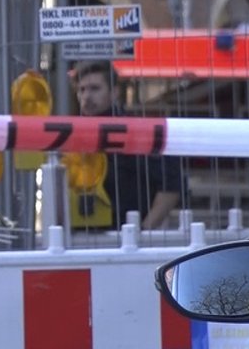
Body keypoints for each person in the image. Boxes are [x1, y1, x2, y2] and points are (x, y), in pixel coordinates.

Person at [72, 60, 184, 230]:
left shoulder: (136, 132)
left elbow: (171, 186)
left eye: (95, 89)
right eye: (82, 90)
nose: (87, 96)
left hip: (128, 234)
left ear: (114, 92)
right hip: (81, 234)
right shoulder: (74, 134)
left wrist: (145, 231)